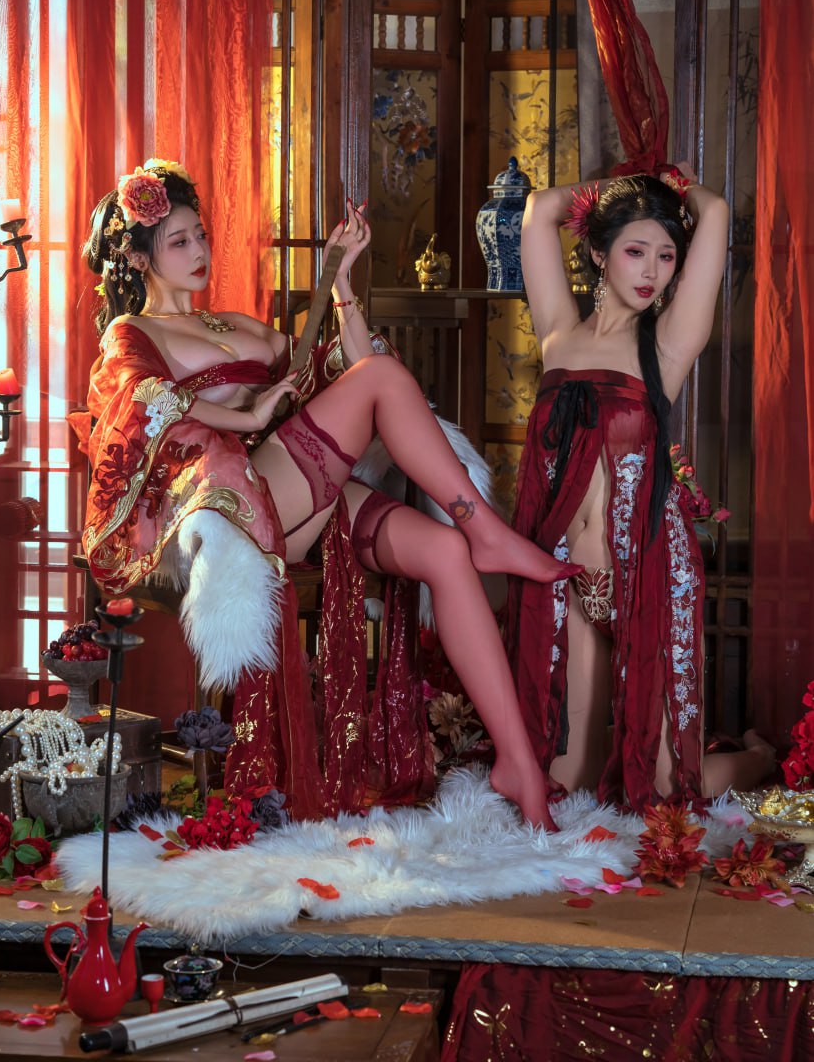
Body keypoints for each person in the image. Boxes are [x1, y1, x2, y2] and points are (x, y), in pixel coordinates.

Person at [74, 159, 582, 830]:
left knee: (444, 552)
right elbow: (141, 404)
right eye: (178, 241)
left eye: (201, 235)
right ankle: (486, 526)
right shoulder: (133, 334)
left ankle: (517, 762)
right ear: (139, 258)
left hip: (300, 492)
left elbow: (349, 368)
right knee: (381, 382)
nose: (199, 251)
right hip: (235, 508)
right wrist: (248, 418)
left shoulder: (237, 323)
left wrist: (341, 285)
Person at [507, 163, 775, 813]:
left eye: (665, 255)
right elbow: (539, 209)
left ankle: (758, 758)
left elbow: (714, 213)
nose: (652, 270)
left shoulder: (668, 345)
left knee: (663, 791)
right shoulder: (557, 331)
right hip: (570, 580)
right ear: (599, 254)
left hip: (650, 578)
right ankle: (628, 745)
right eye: (634, 251)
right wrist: (622, 190)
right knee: (568, 784)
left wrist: (669, 185)